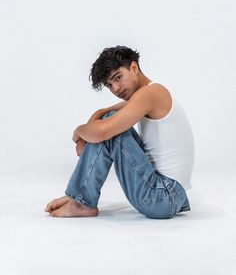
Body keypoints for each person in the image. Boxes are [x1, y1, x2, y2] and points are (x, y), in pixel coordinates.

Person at [45, 46, 195, 219]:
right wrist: (96, 118)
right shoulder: (149, 94)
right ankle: (78, 199)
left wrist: (79, 131)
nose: (115, 88)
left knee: (110, 130)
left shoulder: (151, 93)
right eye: (109, 85)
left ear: (134, 67)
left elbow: (103, 131)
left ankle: (81, 201)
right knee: (109, 120)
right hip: (171, 196)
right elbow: (105, 113)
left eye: (118, 77)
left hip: (162, 197)